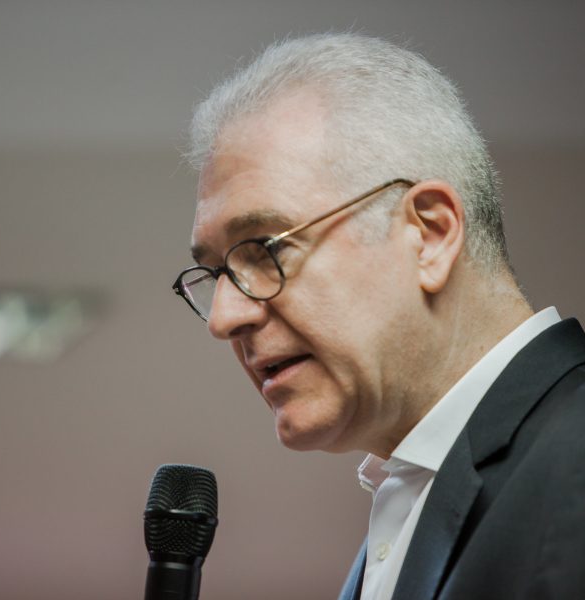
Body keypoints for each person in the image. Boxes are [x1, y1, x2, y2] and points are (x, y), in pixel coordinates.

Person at [172, 33, 585, 599]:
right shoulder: (416, 492)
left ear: (429, 235)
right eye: (216, 273)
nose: (223, 318)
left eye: (265, 249)